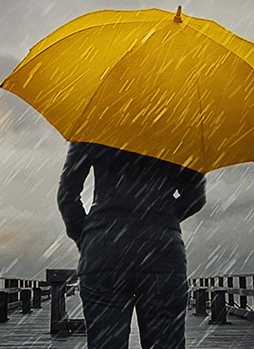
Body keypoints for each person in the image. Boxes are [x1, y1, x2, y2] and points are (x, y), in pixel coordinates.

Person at [58, 141, 207, 349]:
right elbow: (196, 197)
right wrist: (162, 220)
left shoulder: (92, 127)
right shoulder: (177, 131)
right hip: (161, 255)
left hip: (104, 251)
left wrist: (88, 237)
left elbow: (67, 196)